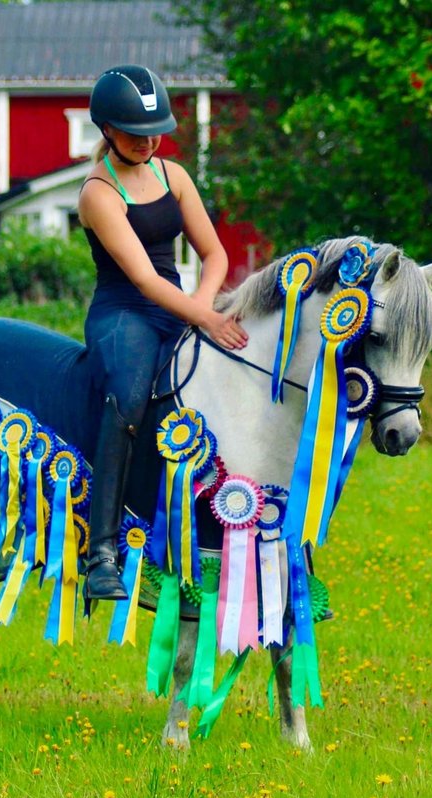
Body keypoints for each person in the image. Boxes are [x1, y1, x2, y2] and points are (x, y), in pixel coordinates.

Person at [79, 64, 248, 603]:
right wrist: (204, 318)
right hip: (125, 313)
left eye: (156, 131)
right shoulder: (97, 193)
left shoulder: (174, 175)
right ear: (107, 129)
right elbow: (145, 278)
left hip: (180, 305)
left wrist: (201, 306)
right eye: (135, 133)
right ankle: (101, 551)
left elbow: (215, 253)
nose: (149, 141)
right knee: (128, 400)